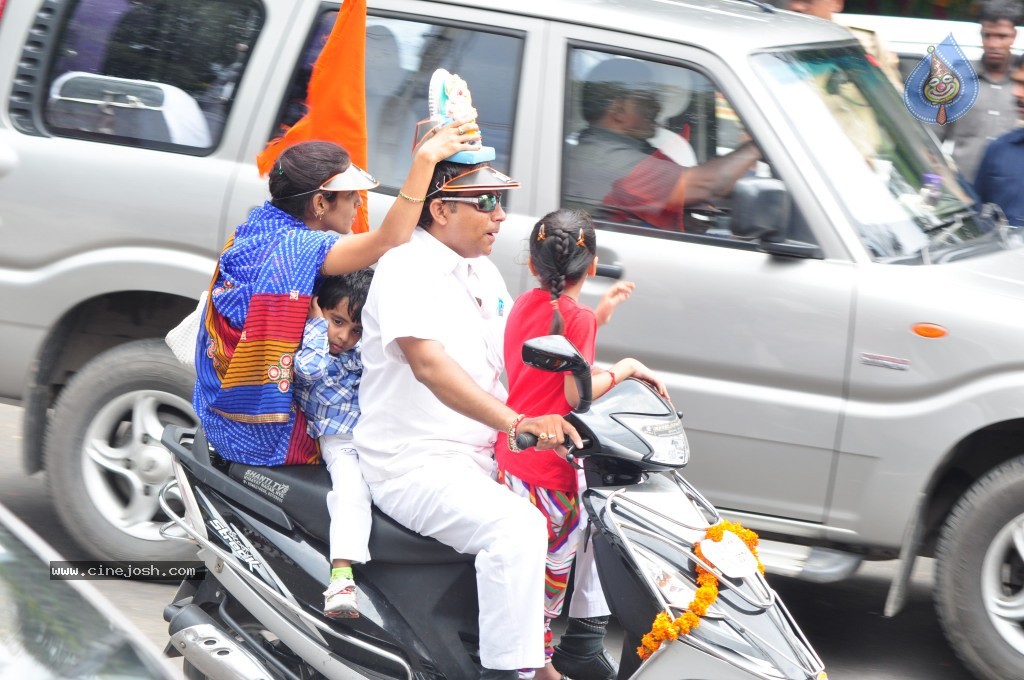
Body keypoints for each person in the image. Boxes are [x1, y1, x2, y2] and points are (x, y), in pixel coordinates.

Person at [353, 160, 582, 680]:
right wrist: (516, 422)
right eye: (486, 203)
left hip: (484, 455)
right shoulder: (405, 267)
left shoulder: (482, 270)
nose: (500, 216)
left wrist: (603, 377)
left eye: (501, 202)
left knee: (583, 510)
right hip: (416, 463)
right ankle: (513, 674)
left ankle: (562, 654)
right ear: (440, 209)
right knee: (517, 529)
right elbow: (429, 365)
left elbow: (518, 357)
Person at [193, 120, 477, 468]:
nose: (359, 202)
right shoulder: (298, 247)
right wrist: (425, 160)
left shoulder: (261, 223)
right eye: (350, 195)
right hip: (259, 429)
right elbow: (389, 239)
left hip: (216, 404)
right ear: (319, 203)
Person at [493, 209, 666, 680]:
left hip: (510, 455)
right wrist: (627, 367)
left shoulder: (523, 305)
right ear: (590, 268)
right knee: (549, 574)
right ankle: (538, 664)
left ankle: (536, 660)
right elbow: (575, 392)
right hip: (552, 470)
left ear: (532, 264)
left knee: (519, 568)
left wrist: (597, 319)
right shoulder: (577, 318)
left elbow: (546, 360)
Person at [564, 58, 760, 232]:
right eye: (647, 98)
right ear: (618, 109)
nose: (657, 107)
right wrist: (756, 146)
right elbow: (710, 184)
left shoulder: (629, 148)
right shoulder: (607, 159)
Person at [293, 270, 374, 619]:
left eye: (356, 330)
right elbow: (307, 371)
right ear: (318, 310)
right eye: (336, 321)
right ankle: (341, 578)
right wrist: (314, 326)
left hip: (376, 432)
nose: (343, 336)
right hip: (341, 439)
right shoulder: (313, 347)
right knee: (351, 490)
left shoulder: (358, 353)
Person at [939, 0, 1022, 182]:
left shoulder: (1021, 84)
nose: (994, 44)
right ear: (980, 35)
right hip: (964, 193)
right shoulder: (955, 78)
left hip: (1013, 194)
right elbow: (931, 140)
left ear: (1014, 36)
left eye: (1002, 36)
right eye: (988, 35)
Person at [785, 0, 904, 91]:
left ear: (836, 3)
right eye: (793, 0)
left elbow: (893, 101)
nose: (796, 7)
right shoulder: (779, 43)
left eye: (808, 1)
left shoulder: (863, 42)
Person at [973, 54, 1024, 226]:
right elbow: (978, 216)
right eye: (1016, 82)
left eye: (1023, 84)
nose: (1016, 92)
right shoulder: (999, 150)